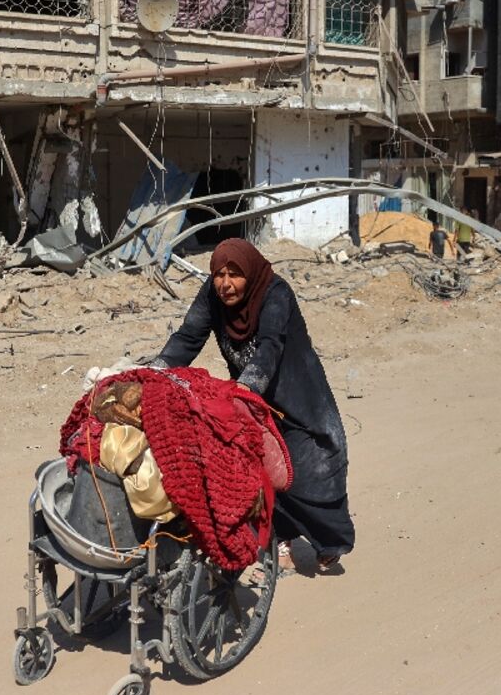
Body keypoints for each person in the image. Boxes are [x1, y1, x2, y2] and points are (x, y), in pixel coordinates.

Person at [151, 239, 354, 575]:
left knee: (310, 471)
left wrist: (246, 386)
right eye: (219, 274)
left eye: (235, 274)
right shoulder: (212, 295)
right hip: (253, 399)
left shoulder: (275, 293)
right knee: (264, 470)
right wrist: (154, 372)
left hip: (298, 394)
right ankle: (282, 543)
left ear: (251, 273)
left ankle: (329, 540)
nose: (225, 284)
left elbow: (270, 345)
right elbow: (188, 337)